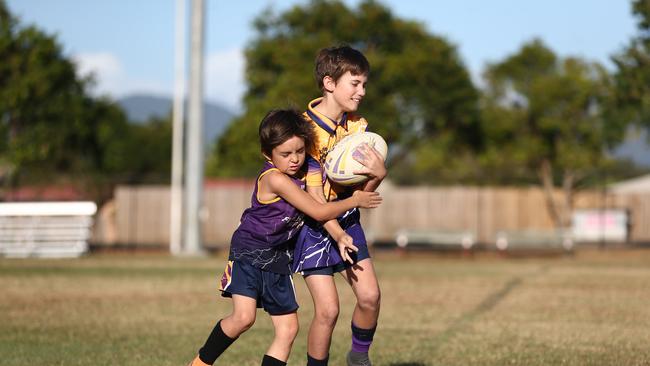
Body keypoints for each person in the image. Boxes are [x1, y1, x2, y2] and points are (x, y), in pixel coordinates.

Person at [187, 109, 382, 366]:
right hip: (249, 252)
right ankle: (200, 363)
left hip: (280, 258)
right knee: (243, 318)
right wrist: (354, 200)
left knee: (288, 330)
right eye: (285, 154)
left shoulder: (311, 167)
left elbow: (318, 200)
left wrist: (339, 234)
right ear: (268, 154)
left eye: (300, 151)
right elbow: (316, 210)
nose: (294, 159)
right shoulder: (274, 178)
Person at [293, 46, 387, 366]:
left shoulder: (358, 127)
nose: (362, 92)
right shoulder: (303, 131)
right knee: (328, 311)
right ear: (330, 83)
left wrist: (378, 175)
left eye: (364, 85)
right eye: (355, 83)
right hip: (313, 225)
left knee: (370, 297)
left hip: (347, 220)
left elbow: (362, 194)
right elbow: (313, 200)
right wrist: (335, 232)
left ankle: (358, 358)